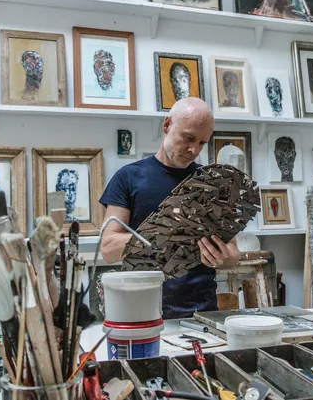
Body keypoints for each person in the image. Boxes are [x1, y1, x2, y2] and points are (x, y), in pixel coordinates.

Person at [99, 97, 240, 319]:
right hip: (143, 309)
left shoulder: (212, 183)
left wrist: (221, 256)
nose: (194, 150)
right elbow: (108, 249)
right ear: (167, 125)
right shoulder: (128, 177)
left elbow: (233, 254)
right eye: (189, 138)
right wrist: (162, 233)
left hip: (202, 312)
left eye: (202, 143)